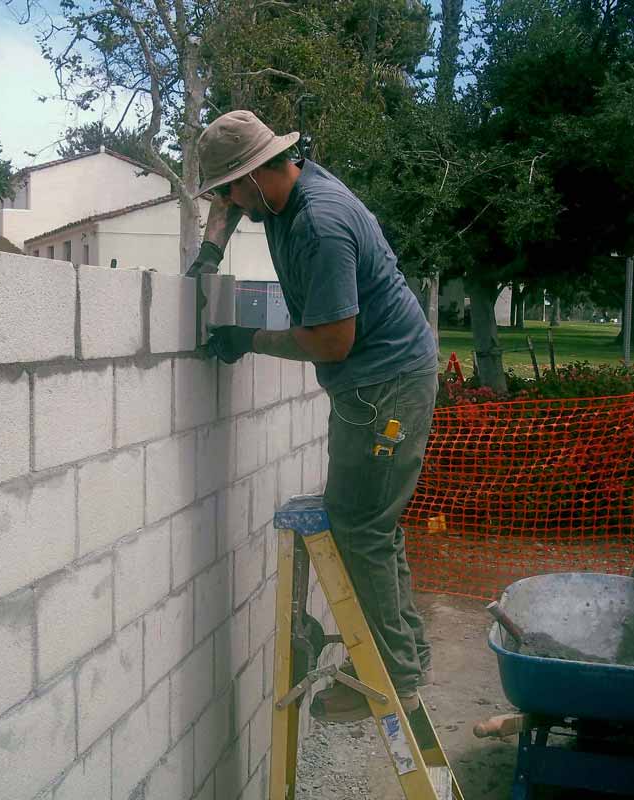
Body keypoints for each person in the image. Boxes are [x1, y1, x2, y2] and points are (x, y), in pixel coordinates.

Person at [189, 110, 438, 722]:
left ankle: (394, 680)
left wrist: (246, 337)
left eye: (230, 191)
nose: (227, 204)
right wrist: (207, 258)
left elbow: (331, 342)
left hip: (384, 386)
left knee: (360, 527)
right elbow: (227, 203)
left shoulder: (319, 225)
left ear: (255, 175)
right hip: (377, 381)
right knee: (373, 523)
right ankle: (406, 656)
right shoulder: (277, 195)